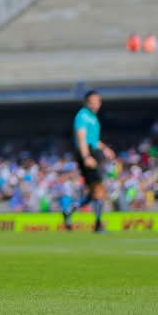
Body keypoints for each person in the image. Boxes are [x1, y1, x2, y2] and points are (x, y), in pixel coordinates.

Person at [63, 90, 116, 232]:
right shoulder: (82, 116)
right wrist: (86, 157)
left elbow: (94, 140)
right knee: (99, 188)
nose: (95, 104)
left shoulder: (93, 118)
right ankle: (98, 224)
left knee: (95, 191)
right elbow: (81, 138)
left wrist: (105, 149)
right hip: (86, 154)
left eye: (97, 102)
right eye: (92, 102)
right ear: (86, 102)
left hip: (93, 152)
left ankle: (69, 210)